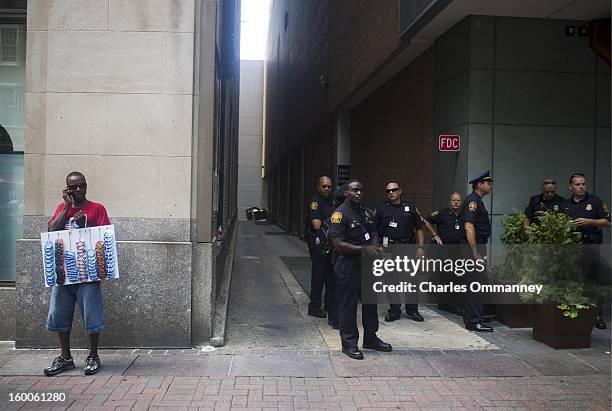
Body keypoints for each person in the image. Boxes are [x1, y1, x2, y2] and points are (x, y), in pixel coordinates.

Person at [44, 171, 111, 376]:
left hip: (88, 272)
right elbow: (51, 231)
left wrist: (86, 225)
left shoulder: (97, 209)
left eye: (81, 185)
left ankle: (93, 355)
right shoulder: (61, 209)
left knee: (91, 313)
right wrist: (66, 208)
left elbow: (105, 237)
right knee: (59, 312)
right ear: (67, 190)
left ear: (86, 186)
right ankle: (65, 357)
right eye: (73, 187)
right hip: (63, 272)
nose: (78, 190)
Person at [329, 180, 392, 359]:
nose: (359, 193)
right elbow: (338, 243)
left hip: (367, 264)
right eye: (354, 190)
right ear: (346, 193)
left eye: (361, 190)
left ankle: (370, 338)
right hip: (348, 265)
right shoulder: (340, 214)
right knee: (348, 305)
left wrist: (375, 246)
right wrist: (365, 250)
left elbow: (373, 232)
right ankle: (349, 343)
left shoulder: (366, 212)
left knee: (370, 303)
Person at [561, 173, 610, 330]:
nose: (581, 187)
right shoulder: (565, 204)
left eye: (583, 184)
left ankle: (597, 315)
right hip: (572, 249)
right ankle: (575, 313)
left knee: (594, 282)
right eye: (578, 184)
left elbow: (607, 221)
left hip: (592, 247)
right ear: (571, 187)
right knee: (573, 281)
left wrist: (589, 221)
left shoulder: (595, 202)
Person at [374, 181, 425, 322]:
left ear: (400, 191)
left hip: (408, 248)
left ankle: (412, 310)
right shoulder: (381, 208)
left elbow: (419, 228)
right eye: (388, 191)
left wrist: (421, 247)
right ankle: (395, 310)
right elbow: (374, 229)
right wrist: (377, 246)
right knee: (391, 280)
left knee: (411, 280)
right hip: (388, 249)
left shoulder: (410, 207)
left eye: (394, 190)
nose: (391, 192)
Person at [460, 171, 494, 332]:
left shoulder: (476, 201)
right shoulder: (472, 202)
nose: (490, 185)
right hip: (473, 248)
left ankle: (474, 317)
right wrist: (475, 252)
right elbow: (469, 227)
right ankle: (473, 321)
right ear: (479, 184)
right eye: (488, 182)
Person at [422, 192, 465, 314]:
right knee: (446, 276)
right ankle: (446, 304)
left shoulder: (463, 215)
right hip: (444, 249)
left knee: (456, 276)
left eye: (458, 200)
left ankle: (448, 303)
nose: (456, 202)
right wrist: (435, 235)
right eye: (453, 200)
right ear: (449, 202)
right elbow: (425, 220)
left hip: (458, 249)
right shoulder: (442, 213)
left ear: (460, 202)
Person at [304, 176, 334, 319]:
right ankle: (314, 307)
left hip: (331, 243)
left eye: (329, 186)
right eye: (324, 186)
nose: (326, 188)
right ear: (318, 187)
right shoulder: (315, 202)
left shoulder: (333, 201)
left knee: (331, 275)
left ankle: (330, 304)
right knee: (319, 276)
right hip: (319, 244)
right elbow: (316, 224)